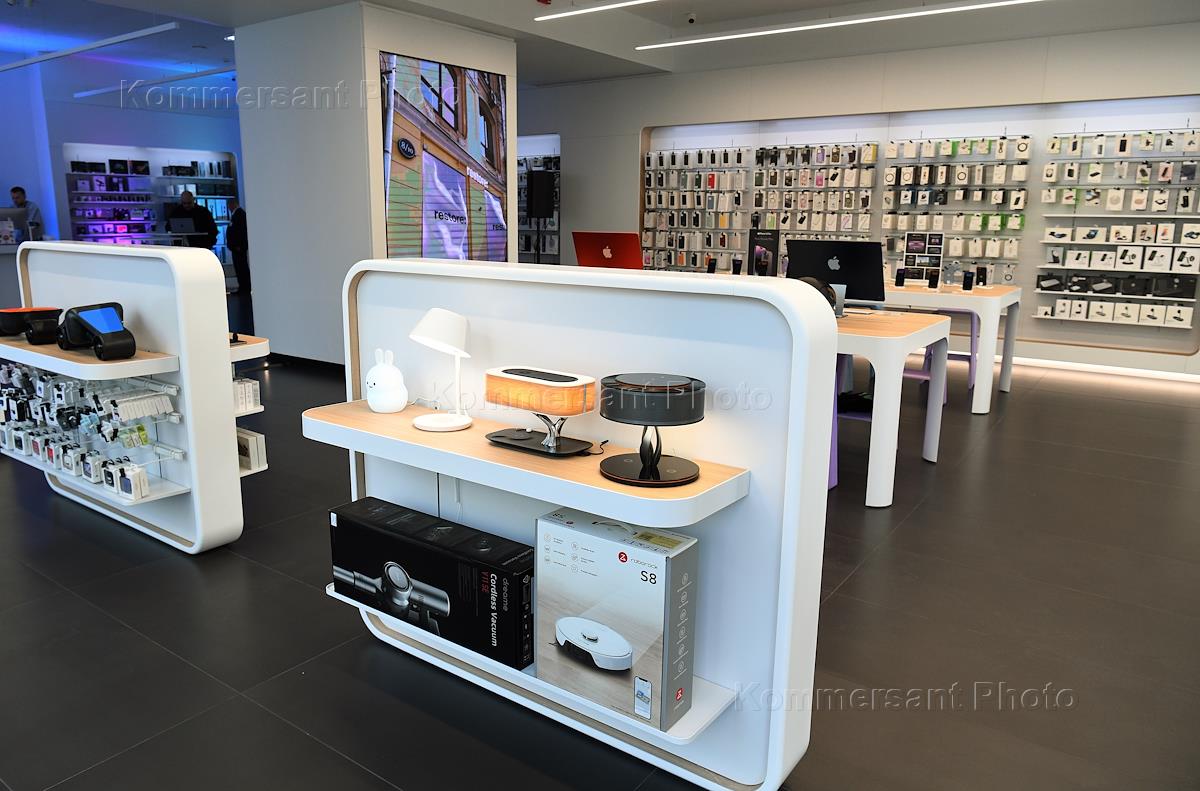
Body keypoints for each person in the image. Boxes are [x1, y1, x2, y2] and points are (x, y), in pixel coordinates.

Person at [227, 198, 250, 293]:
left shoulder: (240, 214)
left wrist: (239, 245)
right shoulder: (236, 214)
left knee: (241, 267)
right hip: (236, 247)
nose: (228, 207)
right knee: (239, 267)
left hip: (238, 247)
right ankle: (243, 286)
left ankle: (245, 287)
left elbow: (241, 231)